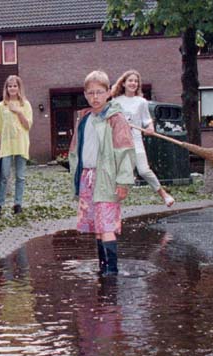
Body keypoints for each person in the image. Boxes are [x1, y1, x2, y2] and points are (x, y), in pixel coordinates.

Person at [68, 71, 135, 277]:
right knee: (97, 226)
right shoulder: (85, 118)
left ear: (108, 92)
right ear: (85, 94)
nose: (95, 97)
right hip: (87, 178)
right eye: (90, 93)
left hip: (106, 178)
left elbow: (125, 151)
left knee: (106, 224)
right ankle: (102, 266)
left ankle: (111, 272)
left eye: (99, 92)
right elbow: (75, 150)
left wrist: (123, 181)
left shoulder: (115, 119)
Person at [111, 70, 175, 207]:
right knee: (122, 175)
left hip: (136, 142)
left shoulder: (141, 102)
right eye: (130, 80)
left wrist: (150, 128)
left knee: (144, 170)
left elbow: (147, 120)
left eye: (136, 81)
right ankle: (112, 205)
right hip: (121, 143)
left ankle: (164, 195)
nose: (133, 83)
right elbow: (111, 121)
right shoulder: (115, 102)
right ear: (123, 83)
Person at [0, 75, 33, 216]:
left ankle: (18, 204)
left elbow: (28, 126)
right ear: (6, 88)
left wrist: (19, 112)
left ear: (19, 87)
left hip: (21, 144)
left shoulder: (25, 105)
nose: (12, 88)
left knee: (20, 176)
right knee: (4, 175)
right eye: (10, 86)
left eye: (15, 85)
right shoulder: (1, 106)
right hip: (7, 145)